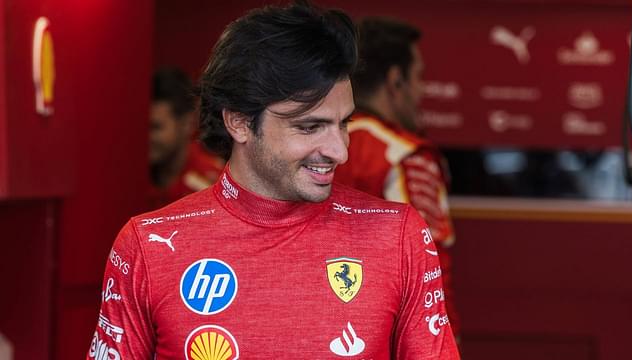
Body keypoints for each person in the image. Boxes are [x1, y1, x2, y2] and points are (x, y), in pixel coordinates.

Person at [87, 2, 459, 359]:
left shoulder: (399, 236)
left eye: (342, 123)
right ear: (239, 122)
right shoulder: (147, 246)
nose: (339, 151)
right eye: (310, 127)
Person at [334, 17, 460, 337]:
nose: (422, 90)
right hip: (386, 332)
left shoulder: (311, 144)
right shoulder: (403, 154)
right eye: (418, 77)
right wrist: (445, 338)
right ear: (395, 80)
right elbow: (430, 261)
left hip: (319, 325)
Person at [149, 68, 225, 207]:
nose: (147, 137)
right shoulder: (126, 180)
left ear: (187, 124)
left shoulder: (214, 186)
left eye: (155, 127)